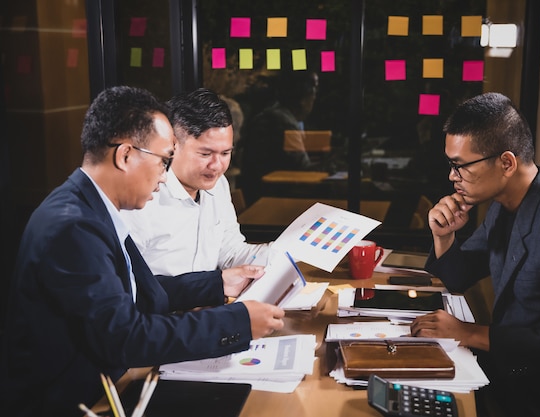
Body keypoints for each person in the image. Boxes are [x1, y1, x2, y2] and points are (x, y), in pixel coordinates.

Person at [0, 86, 285, 417]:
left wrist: (216, 284)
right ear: (124, 156)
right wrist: (235, 321)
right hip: (72, 403)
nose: (165, 178)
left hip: (105, 387)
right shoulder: (73, 228)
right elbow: (125, 336)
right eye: (164, 161)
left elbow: (138, 292)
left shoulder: (90, 208)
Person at [410, 92, 540, 417]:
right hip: (505, 381)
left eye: (460, 165)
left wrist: (469, 333)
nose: (452, 176)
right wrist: (444, 234)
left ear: (506, 163)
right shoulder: (503, 208)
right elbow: (458, 277)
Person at [120, 88, 271, 275]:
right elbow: (129, 283)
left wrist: (292, 250)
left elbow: (231, 254)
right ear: (172, 145)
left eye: (225, 153)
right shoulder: (141, 197)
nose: (217, 166)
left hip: (209, 300)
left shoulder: (219, 184)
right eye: (205, 154)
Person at [238, 70, 319, 204]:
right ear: (303, 100)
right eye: (313, 96)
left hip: (260, 194)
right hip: (272, 199)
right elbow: (303, 170)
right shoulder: (284, 123)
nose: (313, 102)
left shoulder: (275, 115)